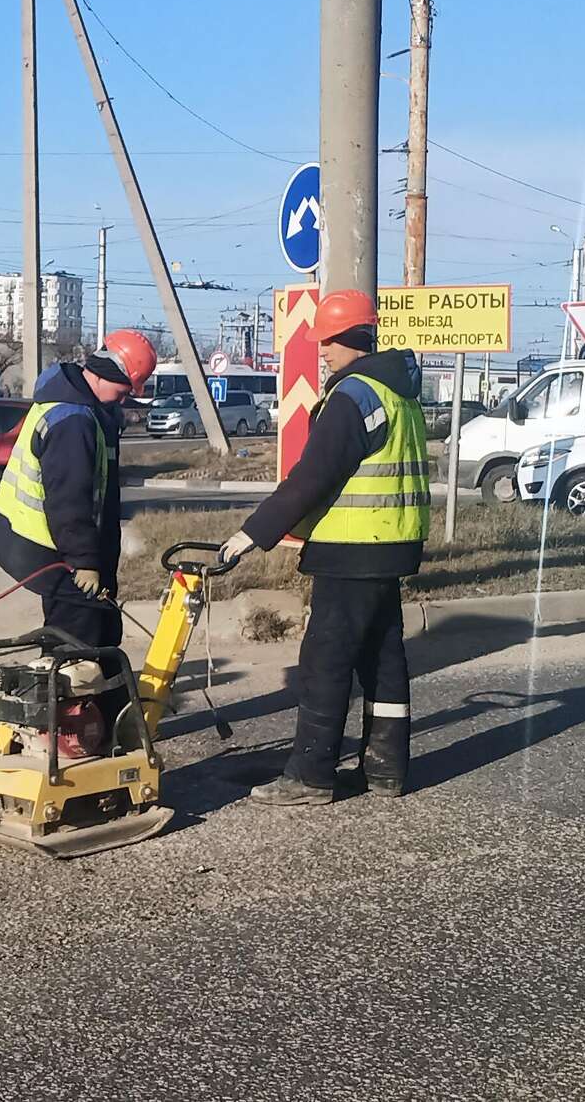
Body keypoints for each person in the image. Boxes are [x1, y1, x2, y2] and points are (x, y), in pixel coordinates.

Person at [218, 289, 430, 807]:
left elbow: (313, 477)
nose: (323, 350)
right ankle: (385, 769)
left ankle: (310, 775)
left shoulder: (354, 396)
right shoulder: (398, 393)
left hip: (351, 549)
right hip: (392, 545)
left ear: (353, 338)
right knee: (382, 659)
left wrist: (254, 533)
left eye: (329, 341)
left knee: (325, 660)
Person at [0, 331, 157, 651]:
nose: (123, 400)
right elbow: (68, 501)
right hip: (58, 553)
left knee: (101, 634)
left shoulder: (83, 407)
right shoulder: (72, 421)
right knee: (78, 644)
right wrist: (85, 561)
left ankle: (99, 700)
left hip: (58, 549)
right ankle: (68, 700)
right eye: (123, 391)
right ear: (109, 373)